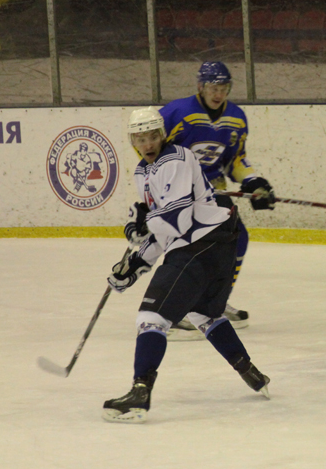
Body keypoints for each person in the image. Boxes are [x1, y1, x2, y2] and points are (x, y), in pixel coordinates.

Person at [102, 107, 270, 423]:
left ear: (161, 135)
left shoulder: (176, 159)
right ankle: (250, 371)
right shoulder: (143, 172)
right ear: (132, 140)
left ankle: (140, 393)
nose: (148, 142)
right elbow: (163, 233)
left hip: (201, 243)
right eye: (141, 137)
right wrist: (134, 266)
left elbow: (176, 219)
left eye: (153, 135)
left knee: (151, 316)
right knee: (203, 313)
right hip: (209, 242)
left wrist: (143, 222)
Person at [158, 61, 275, 338]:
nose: (218, 93)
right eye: (213, 86)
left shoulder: (236, 117)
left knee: (237, 240)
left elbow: (235, 160)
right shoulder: (176, 112)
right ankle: (171, 309)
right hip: (178, 192)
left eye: (223, 87)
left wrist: (253, 181)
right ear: (201, 86)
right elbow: (148, 145)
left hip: (213, 191)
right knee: (185, 247)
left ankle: (213, 302)